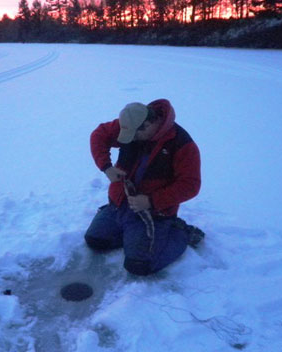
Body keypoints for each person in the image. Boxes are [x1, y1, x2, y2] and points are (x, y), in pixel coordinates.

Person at [85, 99, 202, 276]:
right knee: (95, 240)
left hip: (154, 213)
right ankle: (134, 234)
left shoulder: (182, 145)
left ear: (148, 124)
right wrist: (106, 167)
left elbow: (191, 185)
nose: (130, 138)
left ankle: (180, 232)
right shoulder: (131, 124)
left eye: (135, 134)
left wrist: (151, 201)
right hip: (120, 203)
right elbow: (99, 135)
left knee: (139, 265)